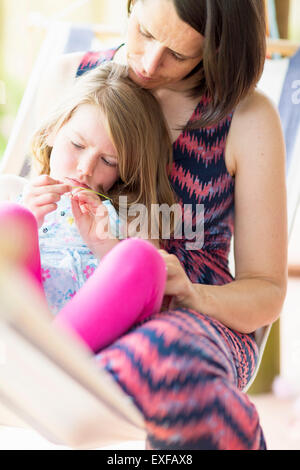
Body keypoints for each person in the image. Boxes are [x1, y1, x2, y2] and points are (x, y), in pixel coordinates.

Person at [33, 0, 288, 450]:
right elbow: (23, 211)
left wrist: (193, 294)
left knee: (164, 358)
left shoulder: (245, 120)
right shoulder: (71, 78)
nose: (150, 65)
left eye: (180, 54)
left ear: (214, 50)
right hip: (72, 301)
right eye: (146, 33)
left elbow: (267, 290)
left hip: (193, 320)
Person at [0, 61, 177, 351]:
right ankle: (42, 355)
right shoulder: (16, 196)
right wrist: (29, 222)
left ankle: (53, 358)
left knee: (143, 257)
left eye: (108, 162)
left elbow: (153, 289)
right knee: (10, 218)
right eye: (77, 146)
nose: (85, 169)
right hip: (19, 332)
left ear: (124, 171)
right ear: (54, 131)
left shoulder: (128, 218)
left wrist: (105, 245)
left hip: (84, 351)